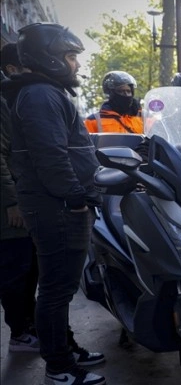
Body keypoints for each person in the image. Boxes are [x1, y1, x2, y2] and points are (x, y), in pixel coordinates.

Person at [1, 22, 106, 385]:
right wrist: (75, 197)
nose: (75, 64)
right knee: (57, 288)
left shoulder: (44, 92)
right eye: (71, 56)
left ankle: (65, 348)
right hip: (57, 206)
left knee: (58, 285)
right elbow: (51, 157)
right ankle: (59, 367)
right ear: (50, 57)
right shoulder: (40, 95)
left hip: (57, 203)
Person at [1, 42, 39, 353]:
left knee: (30, 267)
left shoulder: (16, 99)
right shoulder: (4, 100)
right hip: (10, 206)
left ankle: (29, 325)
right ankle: (19, 333)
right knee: (16, 269)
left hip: (24, 198)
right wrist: (12, 201)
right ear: (12, 69)